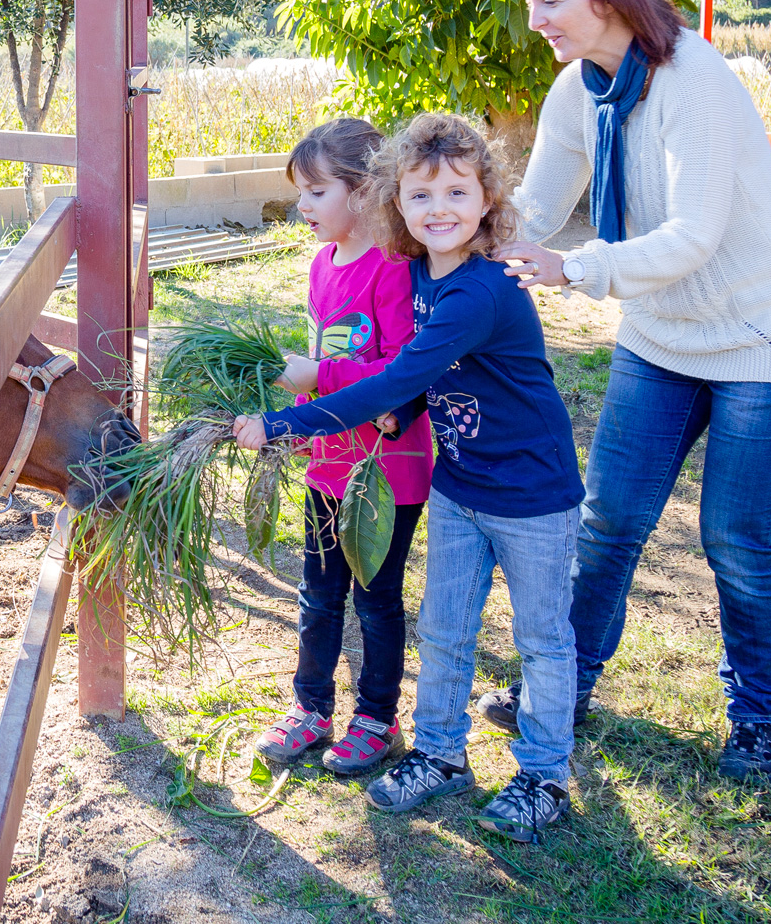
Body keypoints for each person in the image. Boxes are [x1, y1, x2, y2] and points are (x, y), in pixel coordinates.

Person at [487, 0, 771, 783]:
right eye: (530, 0)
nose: (536, 18)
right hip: (661, 336)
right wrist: (445, 243)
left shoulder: (696, 79)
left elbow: (692, 235)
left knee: (735, 535)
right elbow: (532, 212)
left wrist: (575, 268)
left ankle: (758, 714)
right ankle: (562, 685)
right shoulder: (576, 90)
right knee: (607, 519)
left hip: (767, 335)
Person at [234, 114, 583, 844]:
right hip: (460, 483)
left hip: (531, 494)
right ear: (395, 201)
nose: (439, 210)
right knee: (444, 626)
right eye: (421, 196)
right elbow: (422, 378)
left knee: (544, 639)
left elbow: (397, 377)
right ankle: (438, 752)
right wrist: (406, 406)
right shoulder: (422, 271)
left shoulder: (476, 292)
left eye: (458, 191)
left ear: (487, 198)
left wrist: (283, 422)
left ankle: (544, 772)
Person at [251, 119, 433, 777]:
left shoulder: (392, 268)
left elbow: (398, 371)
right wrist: (298, 422)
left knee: (376, 596)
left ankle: (376, 720)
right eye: (300, 191)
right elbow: (324, 352)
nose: (303, 204)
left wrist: (316, 380)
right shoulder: (322, 264)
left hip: (388, 469)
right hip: (330, 461)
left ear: (362, 192)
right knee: (318, 591)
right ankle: (310, 708)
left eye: (316, 190)